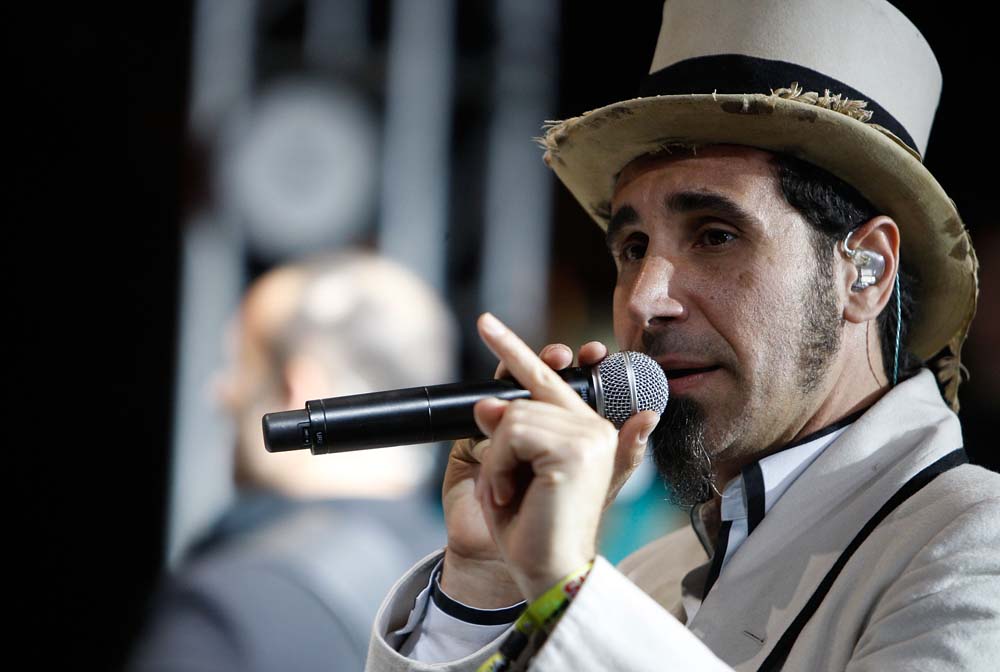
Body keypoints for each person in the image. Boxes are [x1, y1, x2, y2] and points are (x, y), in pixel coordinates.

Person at [365, 1, 999, 670]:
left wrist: (569, 585)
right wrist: (484, 582)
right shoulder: (647, 577)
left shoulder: (974, 547)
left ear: (865, 272)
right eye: (633, 247)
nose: (645, 299)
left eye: (716, 236)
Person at [129, 251, 456, 671]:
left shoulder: (229, 609)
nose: (220, 391)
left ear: (296, 389)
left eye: (240, 365)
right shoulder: (483, 591)